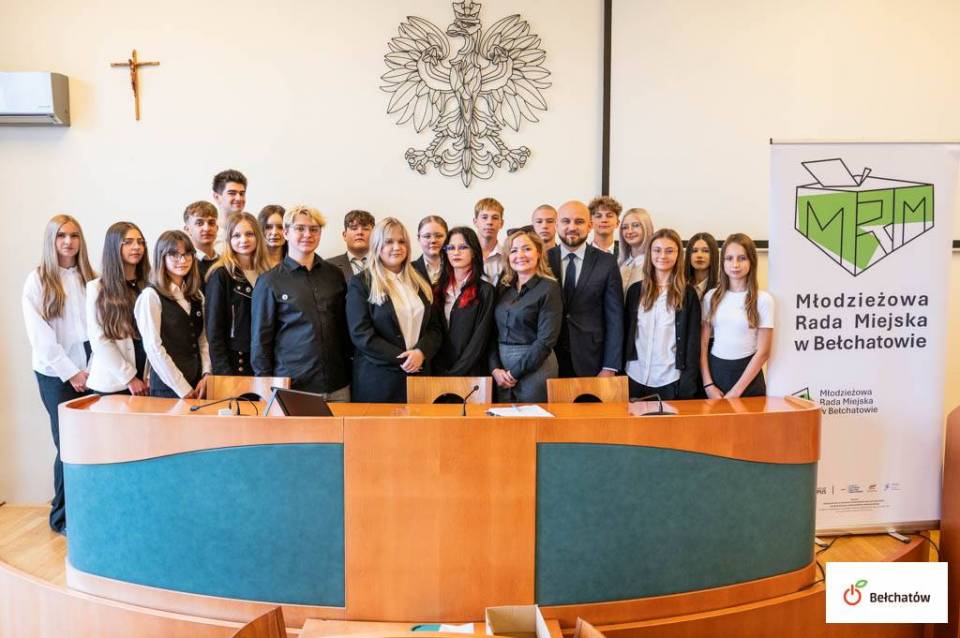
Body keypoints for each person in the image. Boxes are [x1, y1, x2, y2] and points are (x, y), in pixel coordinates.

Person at [22, 214, 95, 534]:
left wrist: (91, 370)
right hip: (55, 374)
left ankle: (89, 512)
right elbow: (41, 338)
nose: (68, 241)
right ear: (51, 240)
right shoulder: (38, 280)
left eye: (74, 235)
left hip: (92, 371)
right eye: (62, 235)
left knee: (92, 444)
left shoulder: (91, 278)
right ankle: (61, 517)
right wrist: (71, 373)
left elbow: (100, 329)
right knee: (68, 444)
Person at [252, 205, 352, 400]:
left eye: (314, 229)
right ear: (286, 233)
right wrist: (264, 385)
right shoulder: (269, 282)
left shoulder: (334, 275)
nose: (308, 234)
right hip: (294, 386)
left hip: (338, 384)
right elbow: (260, 340)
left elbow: (344, 329)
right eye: (300, 228)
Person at [346, 217, 442, 403]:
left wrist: (421, 352)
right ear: (377, 246)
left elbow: (435, 328)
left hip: (419, 376)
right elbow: (361, 334)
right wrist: (403, 359)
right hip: (379, 380)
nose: (396, 247)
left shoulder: (420, 280)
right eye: (389, 242)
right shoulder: (361, 283)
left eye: (401, 241)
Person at [547, 200, 623, 378]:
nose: (572, 227)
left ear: (590, 225)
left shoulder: (607, 262)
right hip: (549, 358)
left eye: (579, 222)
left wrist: (610, 366)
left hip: (592, 358)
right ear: (556, 225)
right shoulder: (542, 260)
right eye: (566, 221)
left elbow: (615, 318)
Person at [623, 229, 701, 400]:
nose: (662, 256)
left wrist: (688, 385)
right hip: (634, 375)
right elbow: (626, 333)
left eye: (669, 251)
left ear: (678, 255)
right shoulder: (635, 291)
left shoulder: (688, 294)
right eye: (657, 250)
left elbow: (692, 343)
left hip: (669, 379)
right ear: (650, 253)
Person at [134, 230, 211, 399]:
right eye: (174, 255)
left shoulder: (196, 294)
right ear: (161, 257)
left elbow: (203, 340)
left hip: (198, 384)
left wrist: (206, 374)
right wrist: (182, 388)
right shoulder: (150, 296)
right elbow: (154, 348)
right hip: (168, 388)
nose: (182, 260)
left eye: (187, 254)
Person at [489, 229, 562, 403]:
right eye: (514, 251)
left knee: (534, 420)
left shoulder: (549, 288)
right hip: (502, 372)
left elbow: (546, 341)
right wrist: (495, 369)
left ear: (539, 253)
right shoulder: (504, 287)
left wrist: (514, 373)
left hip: (536, 368)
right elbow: (492, 332)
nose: (520, 255)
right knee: (503, 419)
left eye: (527, 249)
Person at [700, 233, 774, 399]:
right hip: (715, 375)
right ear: (722, 262)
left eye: (742, 258)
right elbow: (703, 344)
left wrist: (736, 392)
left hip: (748, 379)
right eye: (729, 258)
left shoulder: (763, 300)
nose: (735, 264)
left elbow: (763, 351)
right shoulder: (711, 297)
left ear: (751, 261)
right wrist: (708, 384)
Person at [86, 222, 151, 396]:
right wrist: (130, 378)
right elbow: (99, 339)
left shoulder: (151, 285)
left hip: (147, 378)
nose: (136, 247)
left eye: (140, 242)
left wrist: (150, 375)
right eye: (128, 242)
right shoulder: (97, 288)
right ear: (114, 247)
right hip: (114, 381)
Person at [205, 212, 272, 376]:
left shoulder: (268, 274)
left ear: (258, 236)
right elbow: (214, 331)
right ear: (229, 239)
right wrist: (223, 372)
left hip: (266, 362)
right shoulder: (221, 274)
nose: (244, 240)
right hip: (235, 363)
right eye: (236, 235)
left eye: (249, 234)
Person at [432, 227, 496, 376]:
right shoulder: (437, 290)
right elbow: (433, 333)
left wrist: (455, 374)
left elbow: (479, 340)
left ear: (474, 252)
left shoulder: (485, 291)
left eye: (462, 247)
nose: (456, 252)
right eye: (451, 248)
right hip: (438, 373)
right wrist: (442, 372)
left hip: (472, 373)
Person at [328, 209, 375, 282]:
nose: (360, 232)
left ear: (374, 235)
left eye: (365, 229)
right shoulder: (328, 266)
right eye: (354, 228)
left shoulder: (385, 265)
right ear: (344, 235)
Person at [618, 207, 654, 294]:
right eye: (625, 227)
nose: (629, 231)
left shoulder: (656, 263)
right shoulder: (620, 264)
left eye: (635, 225)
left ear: (646, 227)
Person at [183, 200, 219, 280]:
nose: (207, 228)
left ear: (217, 228)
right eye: (199, 223)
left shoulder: (226, 263)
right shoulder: (182, 265)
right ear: (187, 230)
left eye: (211, 223)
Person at [473, 197, 505, 285]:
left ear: (501, 223)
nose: (489, 222)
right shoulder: (464, 253)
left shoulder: (508, 257)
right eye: (484, 217)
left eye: (495, 218)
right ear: (475, 222)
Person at [412, 215, 448, 285]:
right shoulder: (409, 270)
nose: (433, 240)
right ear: (419, 239)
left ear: (447, 237)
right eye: (427, 236)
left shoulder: (456, 267)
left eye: (439, 236)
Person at [684, 231, 720, 299]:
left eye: (706, 251)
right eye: (694, 251)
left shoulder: (721, 287)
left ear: (714, 255)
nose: (699, 255)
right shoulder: (681, 285)